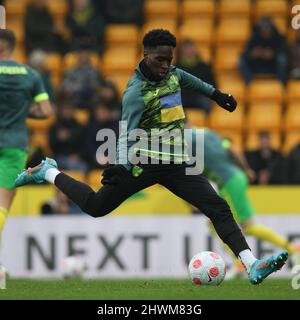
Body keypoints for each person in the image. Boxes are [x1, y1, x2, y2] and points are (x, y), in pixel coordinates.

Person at [15, 29, 288, 285]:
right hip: (144, 163)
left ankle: (251, 264)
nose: (166, 65)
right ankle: (48, 172)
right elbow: (125, 133)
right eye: (160, 60)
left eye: (169, 60)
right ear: (145, 55)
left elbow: (190, 80)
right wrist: (119, 166)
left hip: (178, 164)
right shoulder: (135, 93)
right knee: (96, 207)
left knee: (218, 207)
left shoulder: (172, 74)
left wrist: (216, 94)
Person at [188, 128, 300, 275]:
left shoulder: (186, 141)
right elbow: (231, 148)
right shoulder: (207, 133)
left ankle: (239, 263)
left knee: (219, 223)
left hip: (228, 182)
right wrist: (246, 169)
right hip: (236, 178)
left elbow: (190, 171)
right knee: (246, 225)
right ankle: (292, 248)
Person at [0, 29, 53, 260]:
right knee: (3, 203)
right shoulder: (30, 74)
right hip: (14, 143)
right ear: (12, 46)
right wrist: (24, 110)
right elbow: (46, 111)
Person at [239, 17, 288, 84]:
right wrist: (252, 54)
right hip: (257, 66)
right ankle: (249, 84)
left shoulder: (278, 38)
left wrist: (273, 54)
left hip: (273, 66)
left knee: (282, 59)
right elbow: (244, 53)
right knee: (241, 61)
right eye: (263, 30)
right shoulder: (254, 38)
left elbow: (285, 52)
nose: (265, 32)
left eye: (267, 30)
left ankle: (280, 84)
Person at [176, 39, 217, 113]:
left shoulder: (204, 67)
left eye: (190, 48)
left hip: (199, 97)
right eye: (186, 48)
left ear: (195, 49)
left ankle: (207, 122)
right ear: (181, 51)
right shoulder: (175, 68)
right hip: (183, 97)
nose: (188, 50)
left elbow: (212, 85)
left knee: (207, 102)